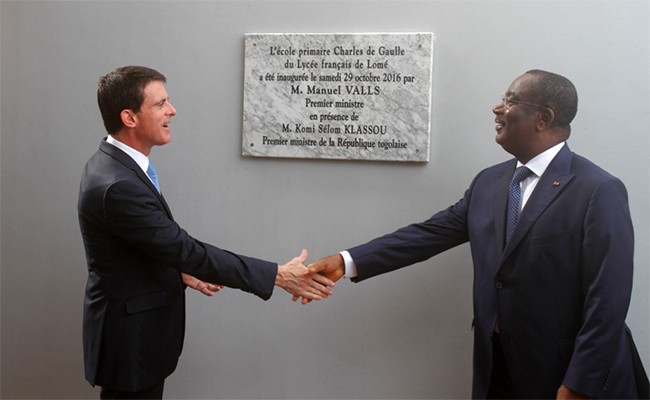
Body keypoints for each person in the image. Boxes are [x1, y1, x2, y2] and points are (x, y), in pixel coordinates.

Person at [307, 70, 649, 399]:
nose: (497, 109)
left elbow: (609, 296)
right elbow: (429, 234)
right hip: (497, 367)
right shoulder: (490, 182)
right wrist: (345, 261)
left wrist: (581, 382)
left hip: (565, 374)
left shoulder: (597, 189)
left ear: (543, 118)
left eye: (511, 101)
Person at [77, 65, 334, 399]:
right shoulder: (118, 184)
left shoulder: (112, 164)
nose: (172, 110)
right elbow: (185, 249)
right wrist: (277, 275)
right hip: (130, 341)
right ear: (130, 117)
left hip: (135, 334)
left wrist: (177, 269)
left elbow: (139, 244)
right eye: (160, 104)